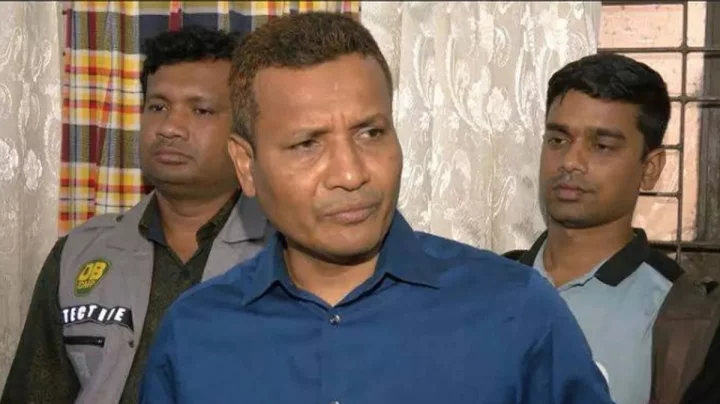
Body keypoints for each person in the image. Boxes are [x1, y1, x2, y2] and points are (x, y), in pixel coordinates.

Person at [139, 12, 613, 404]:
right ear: (246, 164)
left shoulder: (516, 310)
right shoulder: (194, 333)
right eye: (307, 144)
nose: (351, 174)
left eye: (370, 133)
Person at [0, 26, 270, 404]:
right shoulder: (79, 255)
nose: (170, 128)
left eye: (201, 110)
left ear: (245, 134)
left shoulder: (289, 255)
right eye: (158, 107)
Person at [503, 53, 705, 404]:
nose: (570, 162)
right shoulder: (490, 281)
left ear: (650, 168)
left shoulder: (686, 316)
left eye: (601, 146)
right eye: (558, 140)